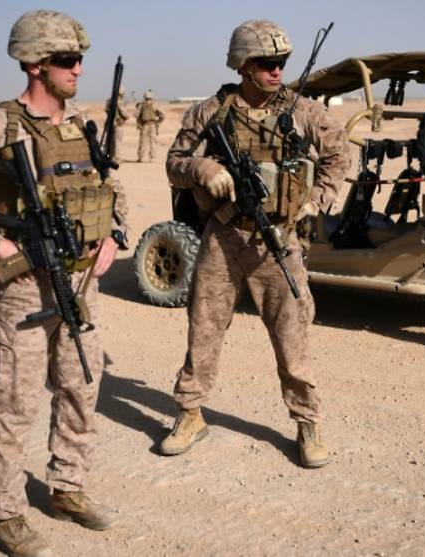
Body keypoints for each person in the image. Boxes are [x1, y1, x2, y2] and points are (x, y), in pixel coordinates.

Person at [0, 10, 128, 557]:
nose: (78, 69)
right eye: (67, 59)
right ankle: (5, 511)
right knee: (12, 401)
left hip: (80, 284)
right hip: (21, 290)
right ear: (35, 64)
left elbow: (110, 188)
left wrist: (112, 236)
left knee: (81, 388)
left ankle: (67, 486)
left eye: (80, 59)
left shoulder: (80, 125)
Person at [160, 20, 350, 468]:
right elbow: (174, 162)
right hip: (224, 237)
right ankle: (190, 413)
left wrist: (316, 200)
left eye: (282, 62)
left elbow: (339, 154)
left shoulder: (302, 111)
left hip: (278, 240)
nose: (277, 70)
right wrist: (202, 169)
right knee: (204, 329)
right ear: (243, 66)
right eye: (266, 63)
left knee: (292, 335)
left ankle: (307, 421)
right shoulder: (210, 112)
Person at [135, 90, 164, 162]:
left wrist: (139, 122)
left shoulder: (141, 105)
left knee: (143, 141)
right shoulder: (155, 105)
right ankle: (152, 158)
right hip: (153, 125)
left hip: (144, 125)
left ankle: (141, 158)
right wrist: (158, 122)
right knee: (153, 142)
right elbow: (162, 115)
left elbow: (136, 115)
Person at [105, 90, 129, 164]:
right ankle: (117, 158)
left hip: (109, 124)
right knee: (118, 141)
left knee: (110, 141)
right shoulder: (119, 101)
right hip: (118, 124)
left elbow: (106, 110)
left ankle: (110, 157)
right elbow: (124, 113)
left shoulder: (109, 100)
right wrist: (127, 117)